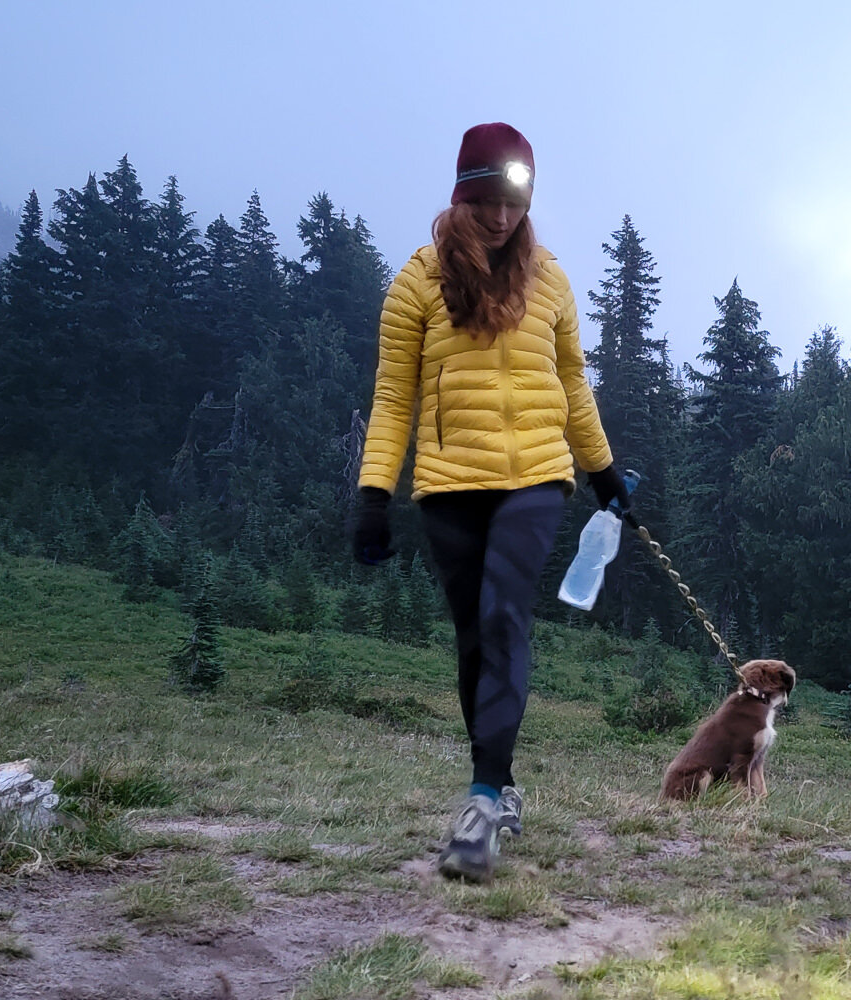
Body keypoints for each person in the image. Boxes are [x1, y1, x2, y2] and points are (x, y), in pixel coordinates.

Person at [352, 122, 631, 883]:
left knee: (507, 613)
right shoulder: (417, 282)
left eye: (514, 202)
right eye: (487, 203)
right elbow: (392, 397)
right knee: (475, 637)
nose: (502, 218)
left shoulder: (551, 281)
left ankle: (480, 803)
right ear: (461, 197)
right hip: (447, 483)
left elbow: (571, 384)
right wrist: (374, 493)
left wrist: (602, 472)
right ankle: (501, 780)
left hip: (537, 475)